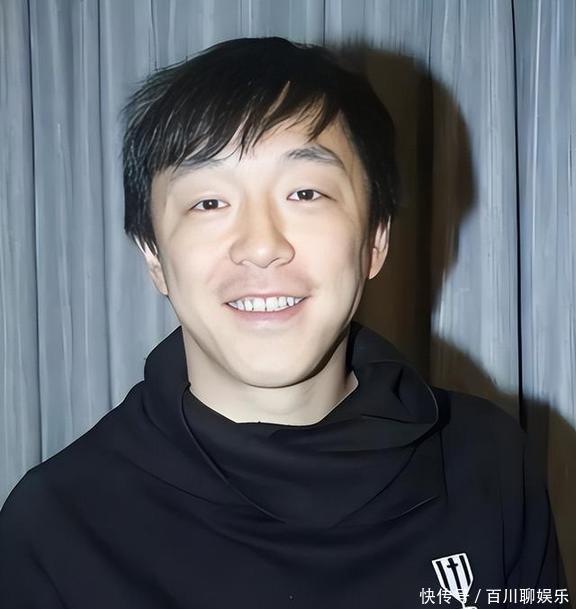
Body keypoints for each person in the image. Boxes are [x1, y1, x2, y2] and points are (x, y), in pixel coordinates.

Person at [0, 37, 570, 609]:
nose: (261, 245)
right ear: (154, 256)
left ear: (376, 239)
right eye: (208, 203)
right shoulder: (56, 527)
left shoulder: (487, 462)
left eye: (305, 192)